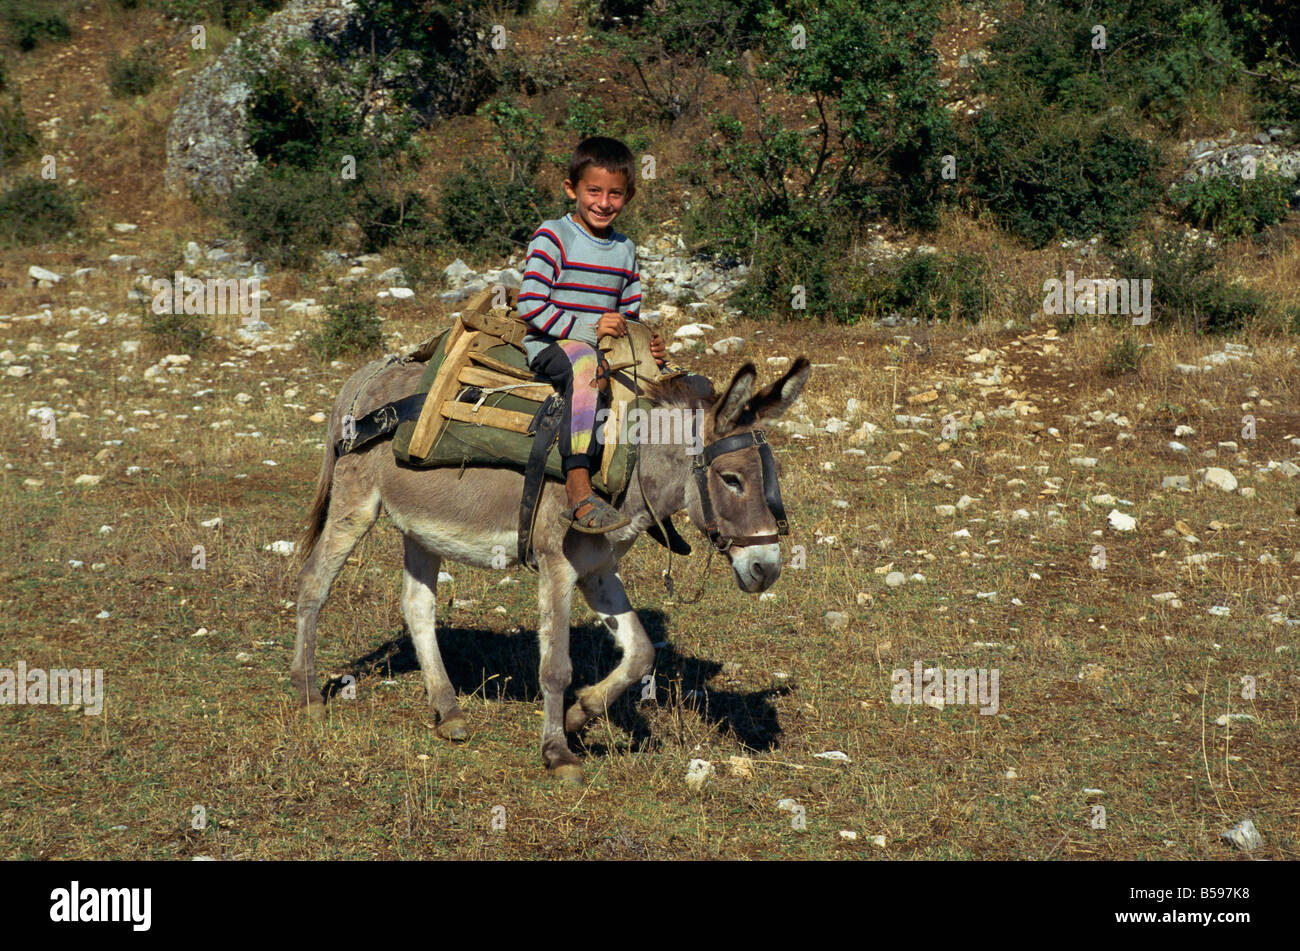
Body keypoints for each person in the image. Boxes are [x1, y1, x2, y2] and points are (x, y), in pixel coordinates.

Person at [517, 136, 667, 534]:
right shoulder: (552, 237)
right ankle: (579, 486)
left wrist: (646, 344)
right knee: (586, 367)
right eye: (593, 191)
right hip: (552, 346)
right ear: (572, 189)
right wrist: (587, 329)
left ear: (629, 195)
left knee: (673, 386)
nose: (604, 203)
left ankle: (653, 494)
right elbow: (530, 305)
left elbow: (629, 316)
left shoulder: (625, 250)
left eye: (615, 194)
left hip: (606, 351)